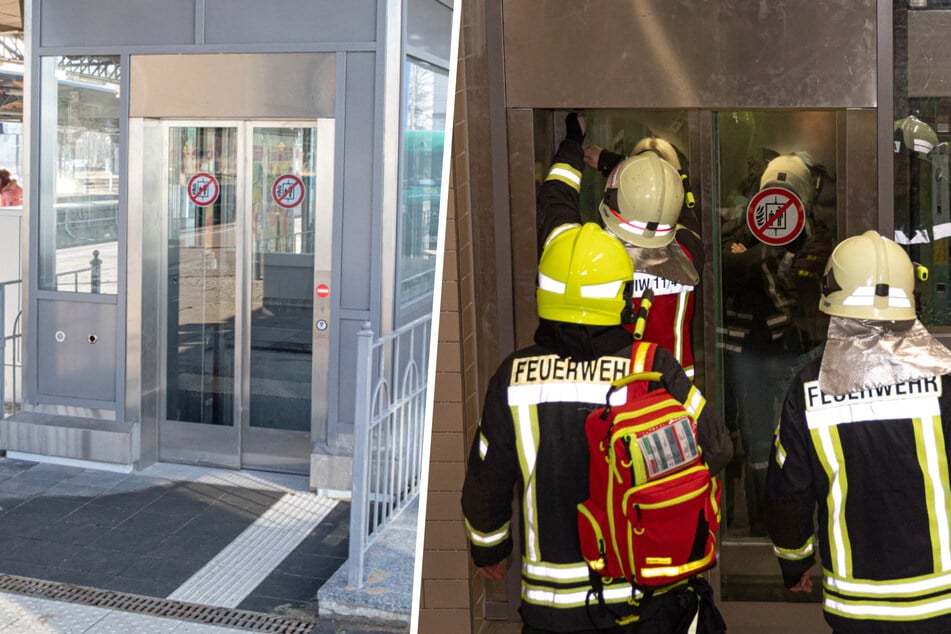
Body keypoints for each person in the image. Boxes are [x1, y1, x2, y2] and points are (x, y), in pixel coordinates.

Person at [461, 222, 732, 633]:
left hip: (552, 612)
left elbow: (487, 479)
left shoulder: (512, 377)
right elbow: (717, 446)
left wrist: (489, 549)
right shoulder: (651, 366)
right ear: (621, 297)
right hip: (645, 598)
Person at [765, 230, 951, 633]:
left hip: (856, 605)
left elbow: (788, 491)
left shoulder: (808, 387)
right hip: (942, 600)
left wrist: (794, 561)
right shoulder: (944, 378)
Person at [538, 112, 702, 379]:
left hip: (608, 403)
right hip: (672, 402)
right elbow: (669, 200)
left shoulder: (583, 257)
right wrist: (614, 163)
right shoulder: (689, 253)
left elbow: (556, 197)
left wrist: (573, 142)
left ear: (612, 199)